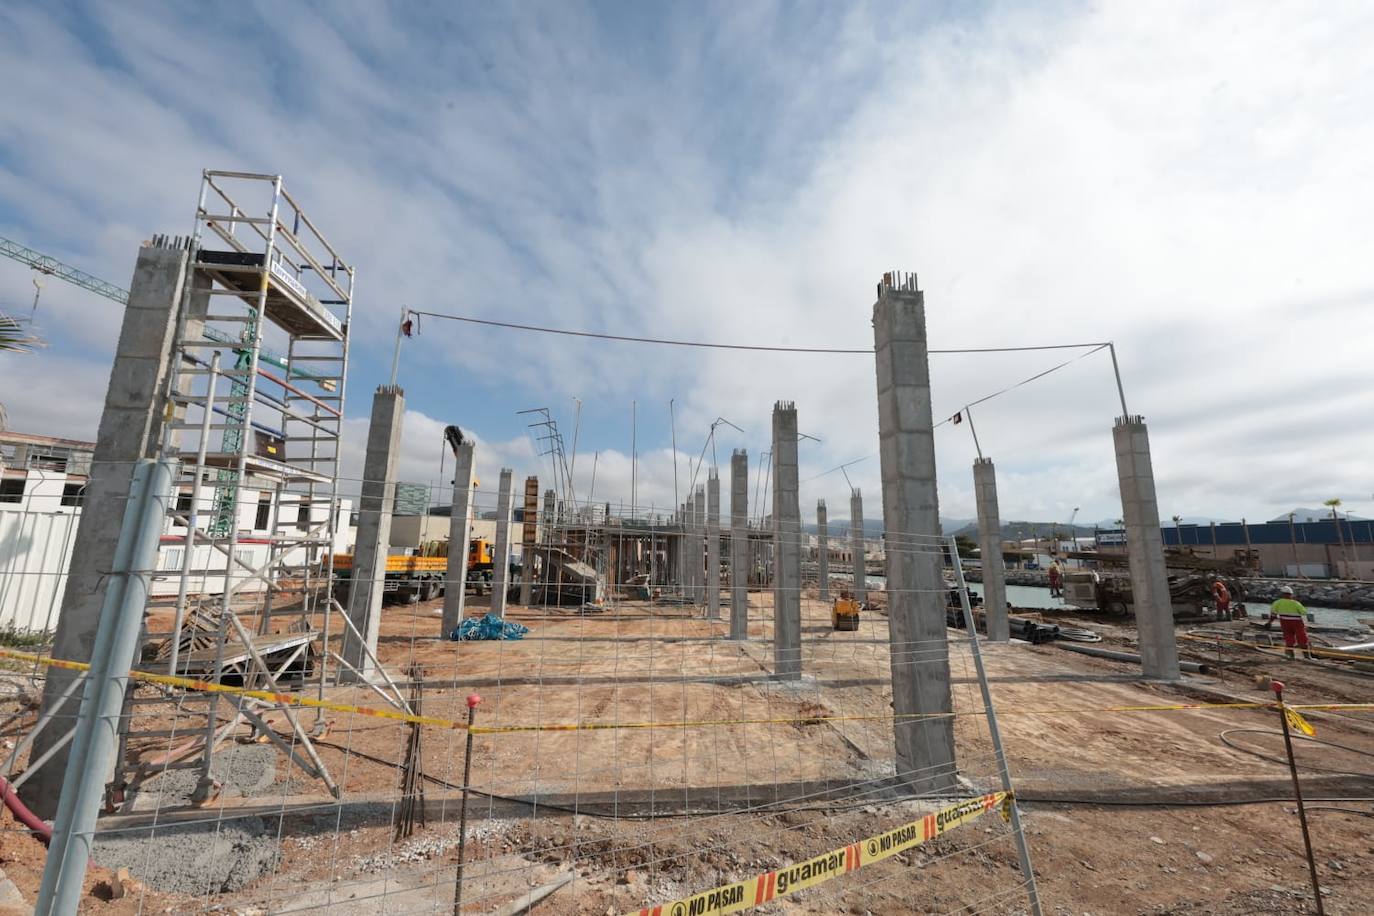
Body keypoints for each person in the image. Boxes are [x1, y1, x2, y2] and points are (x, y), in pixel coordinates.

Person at [1266, 586, 1313, 659]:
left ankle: (1290, 656)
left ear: (1282, 594)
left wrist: (1269, 622)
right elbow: (1304, 613)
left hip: (1284, 622)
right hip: (1297, 623)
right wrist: (1306, 624)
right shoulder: (1295, 603)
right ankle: (1307, 656)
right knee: (1302, 638)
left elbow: (1273, 615)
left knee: (1289, 639)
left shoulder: (1277, 603)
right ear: (1290, 594)